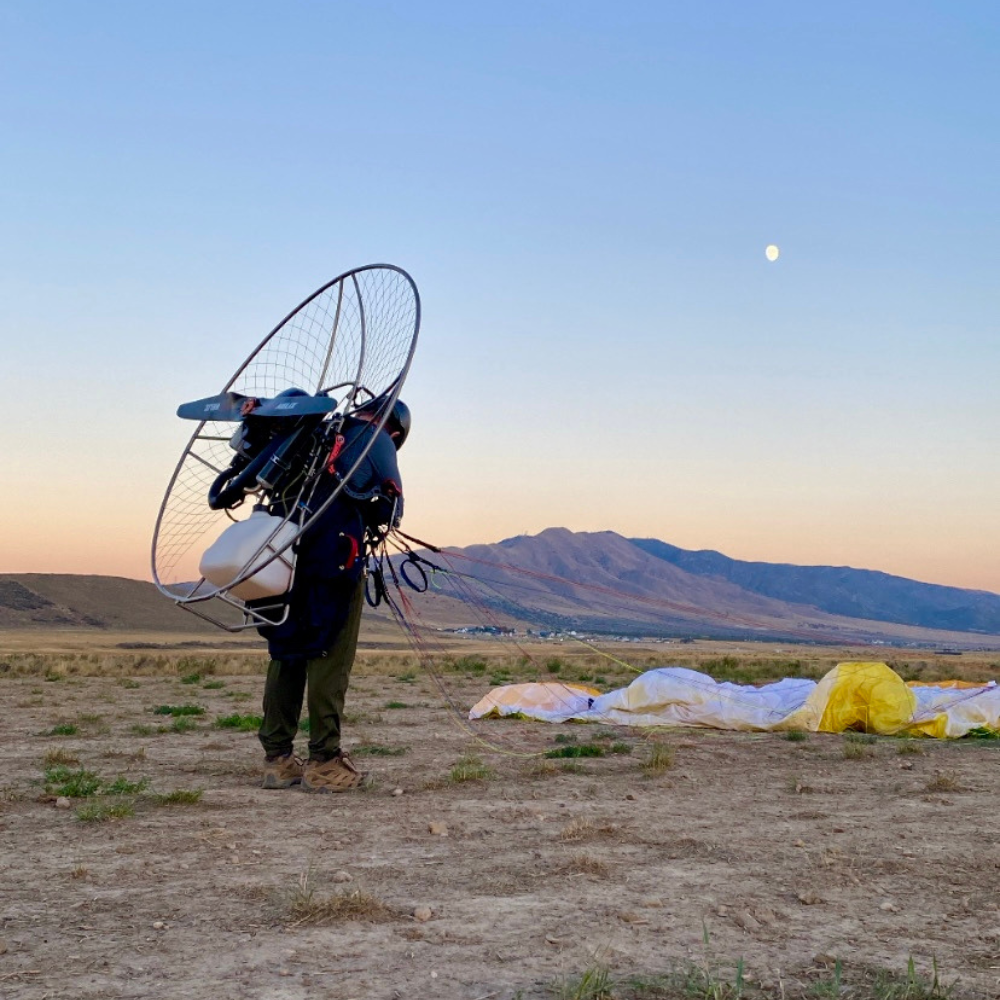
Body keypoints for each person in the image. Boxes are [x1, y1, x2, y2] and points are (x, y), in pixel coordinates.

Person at [256, 396, 410, 792]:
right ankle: (325, 761)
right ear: (394, 428)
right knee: (329, 653)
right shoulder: (372, 438)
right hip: (333, 560)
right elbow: (389, 509)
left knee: (287, 651)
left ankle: (278, 760)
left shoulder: (311, 437)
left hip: (280, 557)